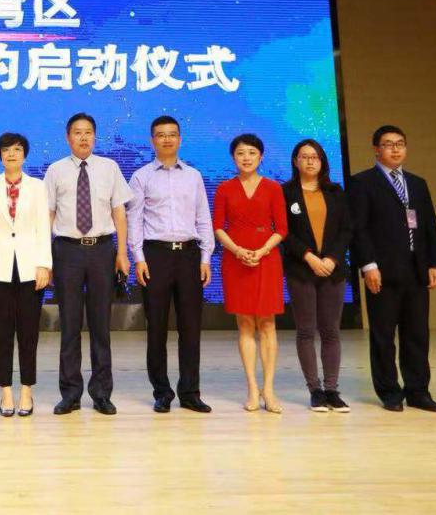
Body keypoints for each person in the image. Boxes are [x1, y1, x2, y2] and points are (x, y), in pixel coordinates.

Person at [348, 125, 436, 413]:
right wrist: (368, 265)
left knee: (417, 335)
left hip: (416, 270)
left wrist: (435, 263)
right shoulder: (362, 182)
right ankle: (389, 391)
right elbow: (358, 228)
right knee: (383, 336)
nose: (395, 149)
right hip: (382, 271)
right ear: (376, 149)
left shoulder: (417, 183)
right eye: (388, 144)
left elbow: (429, 226)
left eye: (400, 143)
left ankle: (418, 391)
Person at [43, 112, 132, 416]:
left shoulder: (110, 167)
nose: (83, 137)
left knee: (100, 326)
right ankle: (70, 394)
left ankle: (102, 393)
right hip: (66, 251)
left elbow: (119, 213)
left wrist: (122, 253)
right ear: (68, 137)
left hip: (102, 250)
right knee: (69, 325)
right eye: (77, 132)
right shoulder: (55, 170)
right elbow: (48, 214)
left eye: (88, 132)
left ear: (95, 136)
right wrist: (46, 258)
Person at [126, 115, 214, 414]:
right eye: (161, 135)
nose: (167, 139)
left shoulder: (193, 176)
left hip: (189, 256)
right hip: (156, 256)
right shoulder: (141, 177)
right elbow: (134, 220)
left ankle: (190, 392)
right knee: (157, 328)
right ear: (152, 140)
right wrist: (138, 258)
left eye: (172, 134)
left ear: (180, 139)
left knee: (191, 328)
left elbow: (203, 217)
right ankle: (162, 392)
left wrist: (205, 257)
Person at [0, 132, 51, 417]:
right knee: (2, 333)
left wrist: (44, 264)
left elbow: (43, 228)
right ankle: (5, 391)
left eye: (17, 149)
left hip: (31, 267)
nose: (11, 154)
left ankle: (27, 390)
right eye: (6, 150)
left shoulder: (37, 186)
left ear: (24, 155)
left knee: (29, 332)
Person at [212, 133, 287, 413]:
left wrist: (263, 250)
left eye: (252, 153)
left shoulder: (273, 188)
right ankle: (252, 389)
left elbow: (282, 228)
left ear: (261, 157)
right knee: (245, 323)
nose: (246, 158)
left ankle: (269, 389)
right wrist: (237, 250)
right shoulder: (224, 188)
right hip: (236, 259)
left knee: (267, 323)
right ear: (234, 157)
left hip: (267, 258)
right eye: (241, 153)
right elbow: (218, 227)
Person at [280, 139, 354, 413]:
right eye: (304, 156)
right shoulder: (285, 192)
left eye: (315, 157)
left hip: (333, 270)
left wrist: (332, 259)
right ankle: (315, 391)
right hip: (301, 269)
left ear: (322, 161)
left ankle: (332, 390)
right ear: (295, 161)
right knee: (306, 330)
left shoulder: (335, 191)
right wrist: (309, 257)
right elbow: (284, 232)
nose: (310, 161)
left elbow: (347, 229)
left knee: (331, 331)